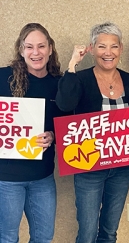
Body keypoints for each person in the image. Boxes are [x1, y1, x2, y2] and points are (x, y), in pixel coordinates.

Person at [55, 22, 129, 243]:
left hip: (121, 168)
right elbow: (64, 104)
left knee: (110, 231)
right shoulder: (80, 79)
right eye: (102, 46)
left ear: (121, 48)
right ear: (92, 49)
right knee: (88, 233)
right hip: (88, 168)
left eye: (113, 46)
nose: (108, 53)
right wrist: (72, 64)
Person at [0, 23, 66, 242]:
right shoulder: (3, 78)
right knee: (8, 238)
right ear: (21, 50)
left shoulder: (59, 84)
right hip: (7, 178)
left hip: (43, 176)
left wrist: (54, 136)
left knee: (44, 238)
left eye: (41, 46)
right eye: (29, 47)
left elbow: (66, 124)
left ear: (50, 48)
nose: (35, 52)